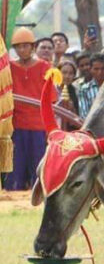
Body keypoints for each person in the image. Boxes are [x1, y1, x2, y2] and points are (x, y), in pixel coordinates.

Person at [4, 27, 52, 190]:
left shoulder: (45, 67)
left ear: (33, 47)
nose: (22, 49)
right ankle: (12, 200)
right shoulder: (8, 68)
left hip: (38, 126)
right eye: (18, 46)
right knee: (15, 168)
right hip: (16, 126)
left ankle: (39, 199)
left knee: (38, 168)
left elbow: (51, 98)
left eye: (26, 46)